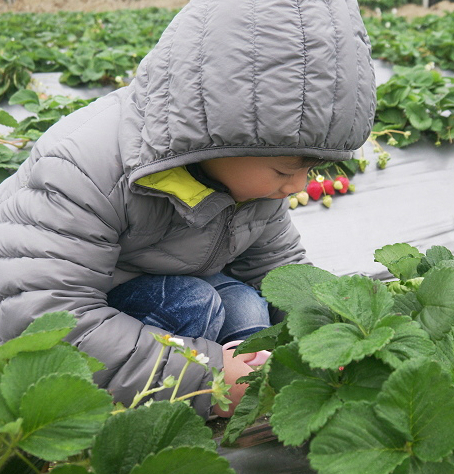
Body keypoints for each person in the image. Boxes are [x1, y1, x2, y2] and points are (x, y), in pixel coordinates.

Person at [0, 0, 376, 418]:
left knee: (248, 305)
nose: (299, 186)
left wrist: (327, 336)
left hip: (154, 281)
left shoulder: (254, 183)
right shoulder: (86, 166)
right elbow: (45, 314)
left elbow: (280, 267)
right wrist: (207, 378)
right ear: (221, 136)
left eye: (312, 169)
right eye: (286, 169)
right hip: (57, 302)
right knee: (196, 303)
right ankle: (185, 392)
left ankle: (255, 373)